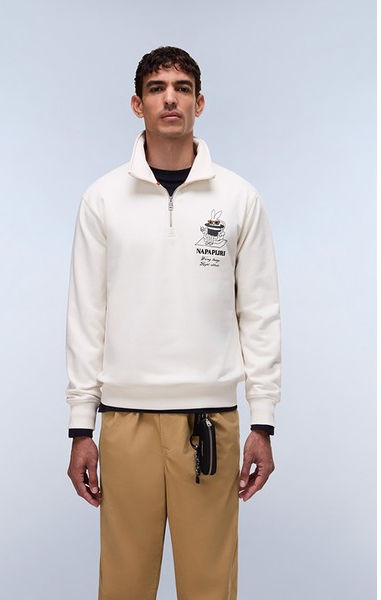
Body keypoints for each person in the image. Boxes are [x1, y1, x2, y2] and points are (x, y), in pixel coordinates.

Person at [66, 46, 281, 600]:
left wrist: (263, 421)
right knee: (124, 586)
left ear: (199, 103)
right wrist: (80, 427)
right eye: (157, 88)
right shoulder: (102, 199)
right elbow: (87, 315)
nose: (170, 99)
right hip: (125, 422)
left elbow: (259, 312)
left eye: (182, 88)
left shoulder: (238, 198)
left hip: (210, 422)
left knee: (210, 588)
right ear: (137, 104)